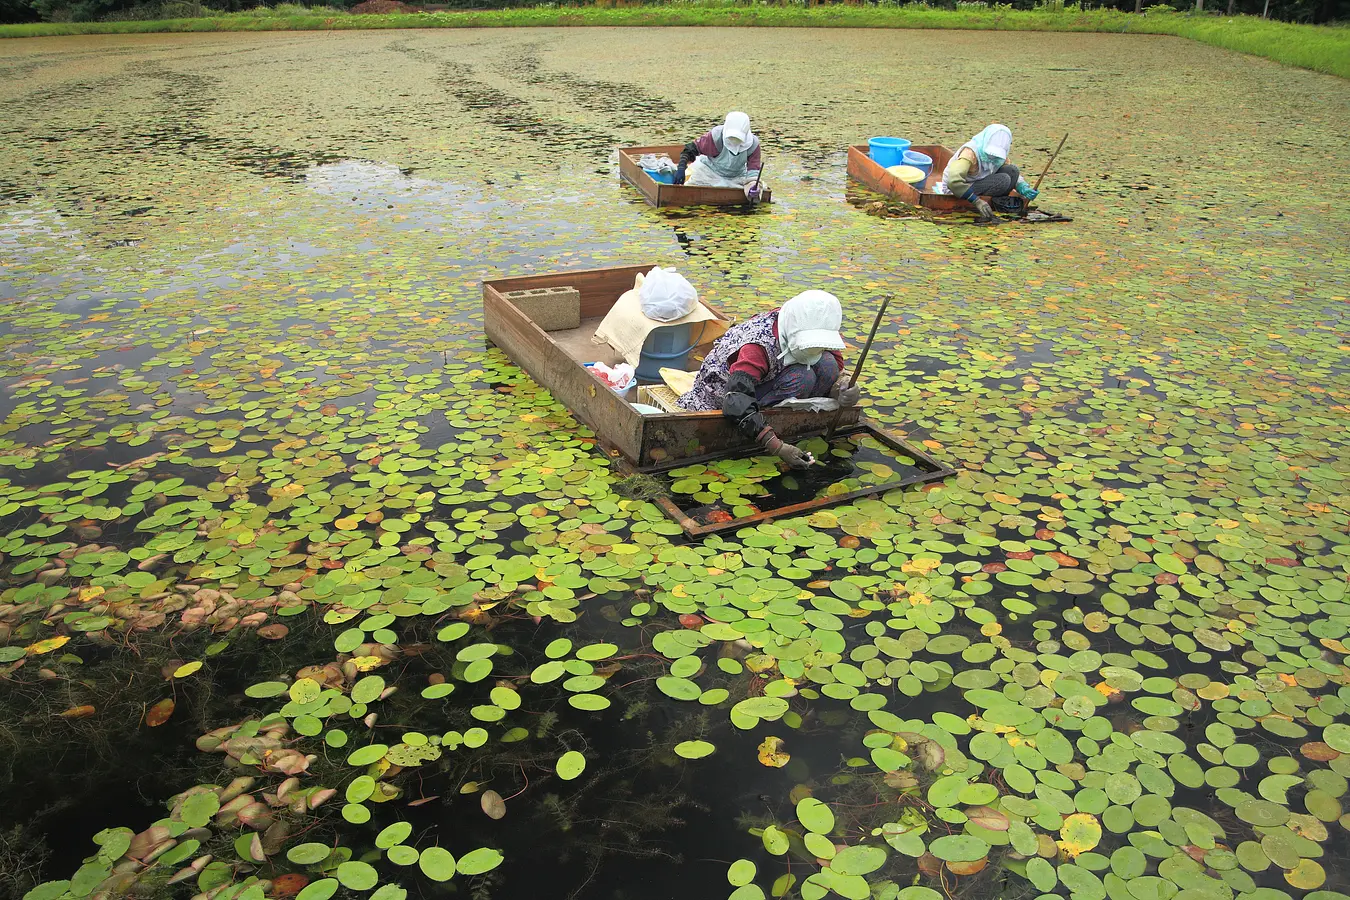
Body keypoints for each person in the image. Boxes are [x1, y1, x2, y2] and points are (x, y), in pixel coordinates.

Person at [677, 291, 859, 469]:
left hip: (769, 377)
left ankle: (793, 415)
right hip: (724, 393)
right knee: (803, 377)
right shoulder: (756, 347)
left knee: (827, 364)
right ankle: (764, 423)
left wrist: (844, 387)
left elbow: (837, 367)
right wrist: (776, 446)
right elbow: (735, 401)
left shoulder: (812, 322)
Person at [942, 124, 1039, 222]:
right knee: (1003, 180)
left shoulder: (999, 156)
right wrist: (976, 201)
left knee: (1012, 171)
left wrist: (1022, 187)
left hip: (980, 181)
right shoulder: (969, 154)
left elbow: (1011, 171)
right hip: (958, 189)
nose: (993, 157)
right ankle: (987, 203)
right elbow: (953, 182)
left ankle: (998, 203)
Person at [675, 111, 763, 199]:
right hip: (709, 173)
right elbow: (691, 149)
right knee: (689, 192)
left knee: (754, 192)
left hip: (736, 177)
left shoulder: (753, 144)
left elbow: (753, 173)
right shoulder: (716, 136)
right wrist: (682, 167)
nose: (734, 141)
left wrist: (753, 187)